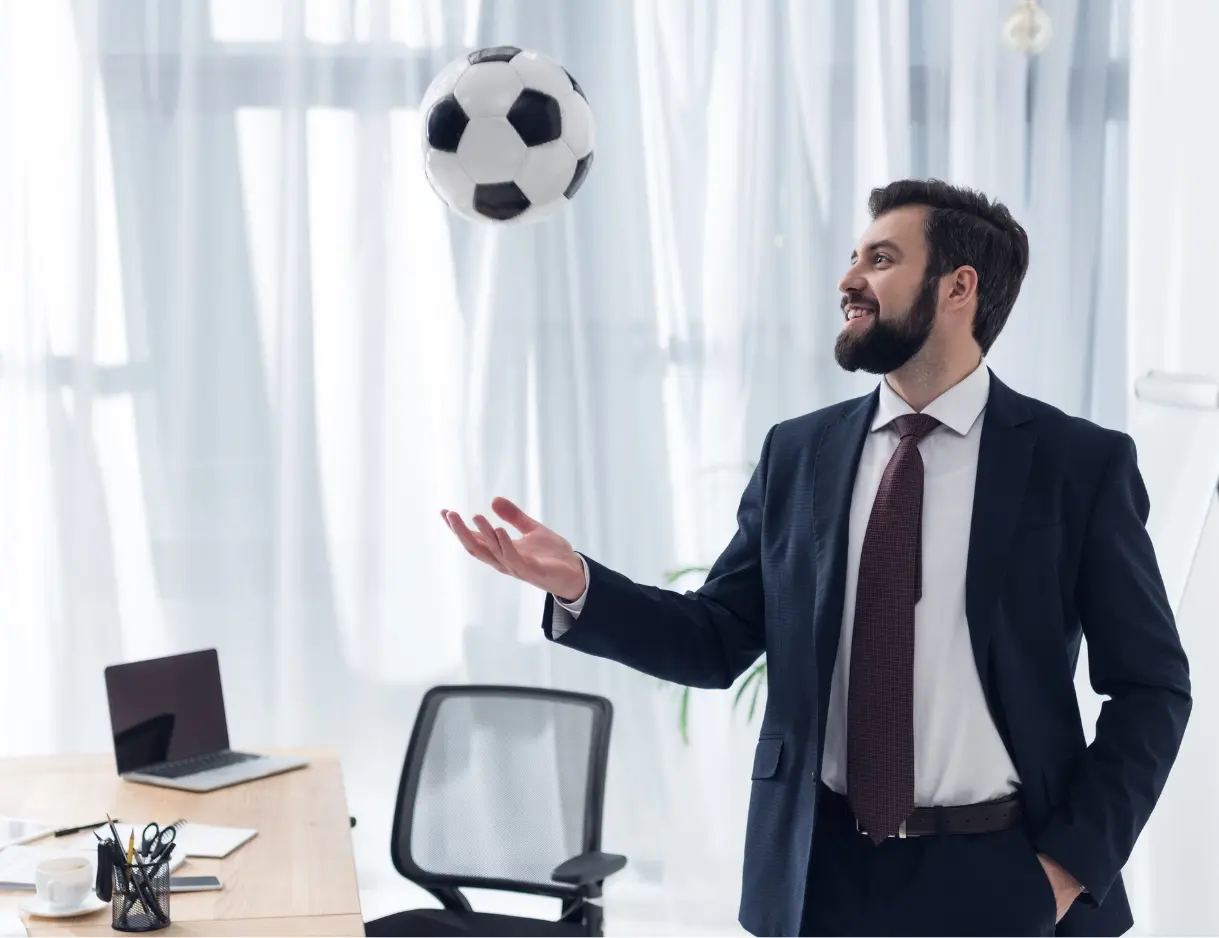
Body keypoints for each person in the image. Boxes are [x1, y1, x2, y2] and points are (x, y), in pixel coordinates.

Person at [440, 179, 1191, 937]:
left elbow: (1151, 688)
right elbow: (717, 637)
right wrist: (580, 585)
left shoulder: (1076, 465)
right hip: (816, 876)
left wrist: (1061, 873)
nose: (848, 278)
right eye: (853, 257)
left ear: (958, 286)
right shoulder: (798, 453)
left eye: (881, 258)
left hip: (999, 876)